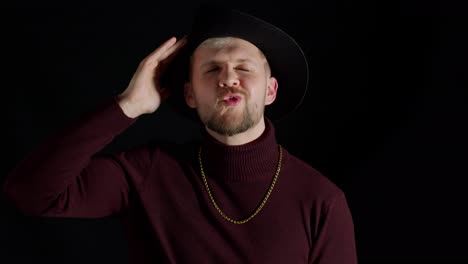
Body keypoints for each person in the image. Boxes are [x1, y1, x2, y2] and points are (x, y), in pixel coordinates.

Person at [4, 4, 357, 264]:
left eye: (244, 68)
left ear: (270, 90)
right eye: (212, 68)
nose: (228, 78)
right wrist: (127, 105)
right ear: (189, 94)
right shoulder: (149, 172)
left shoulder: (321, 202)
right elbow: (31, 192)